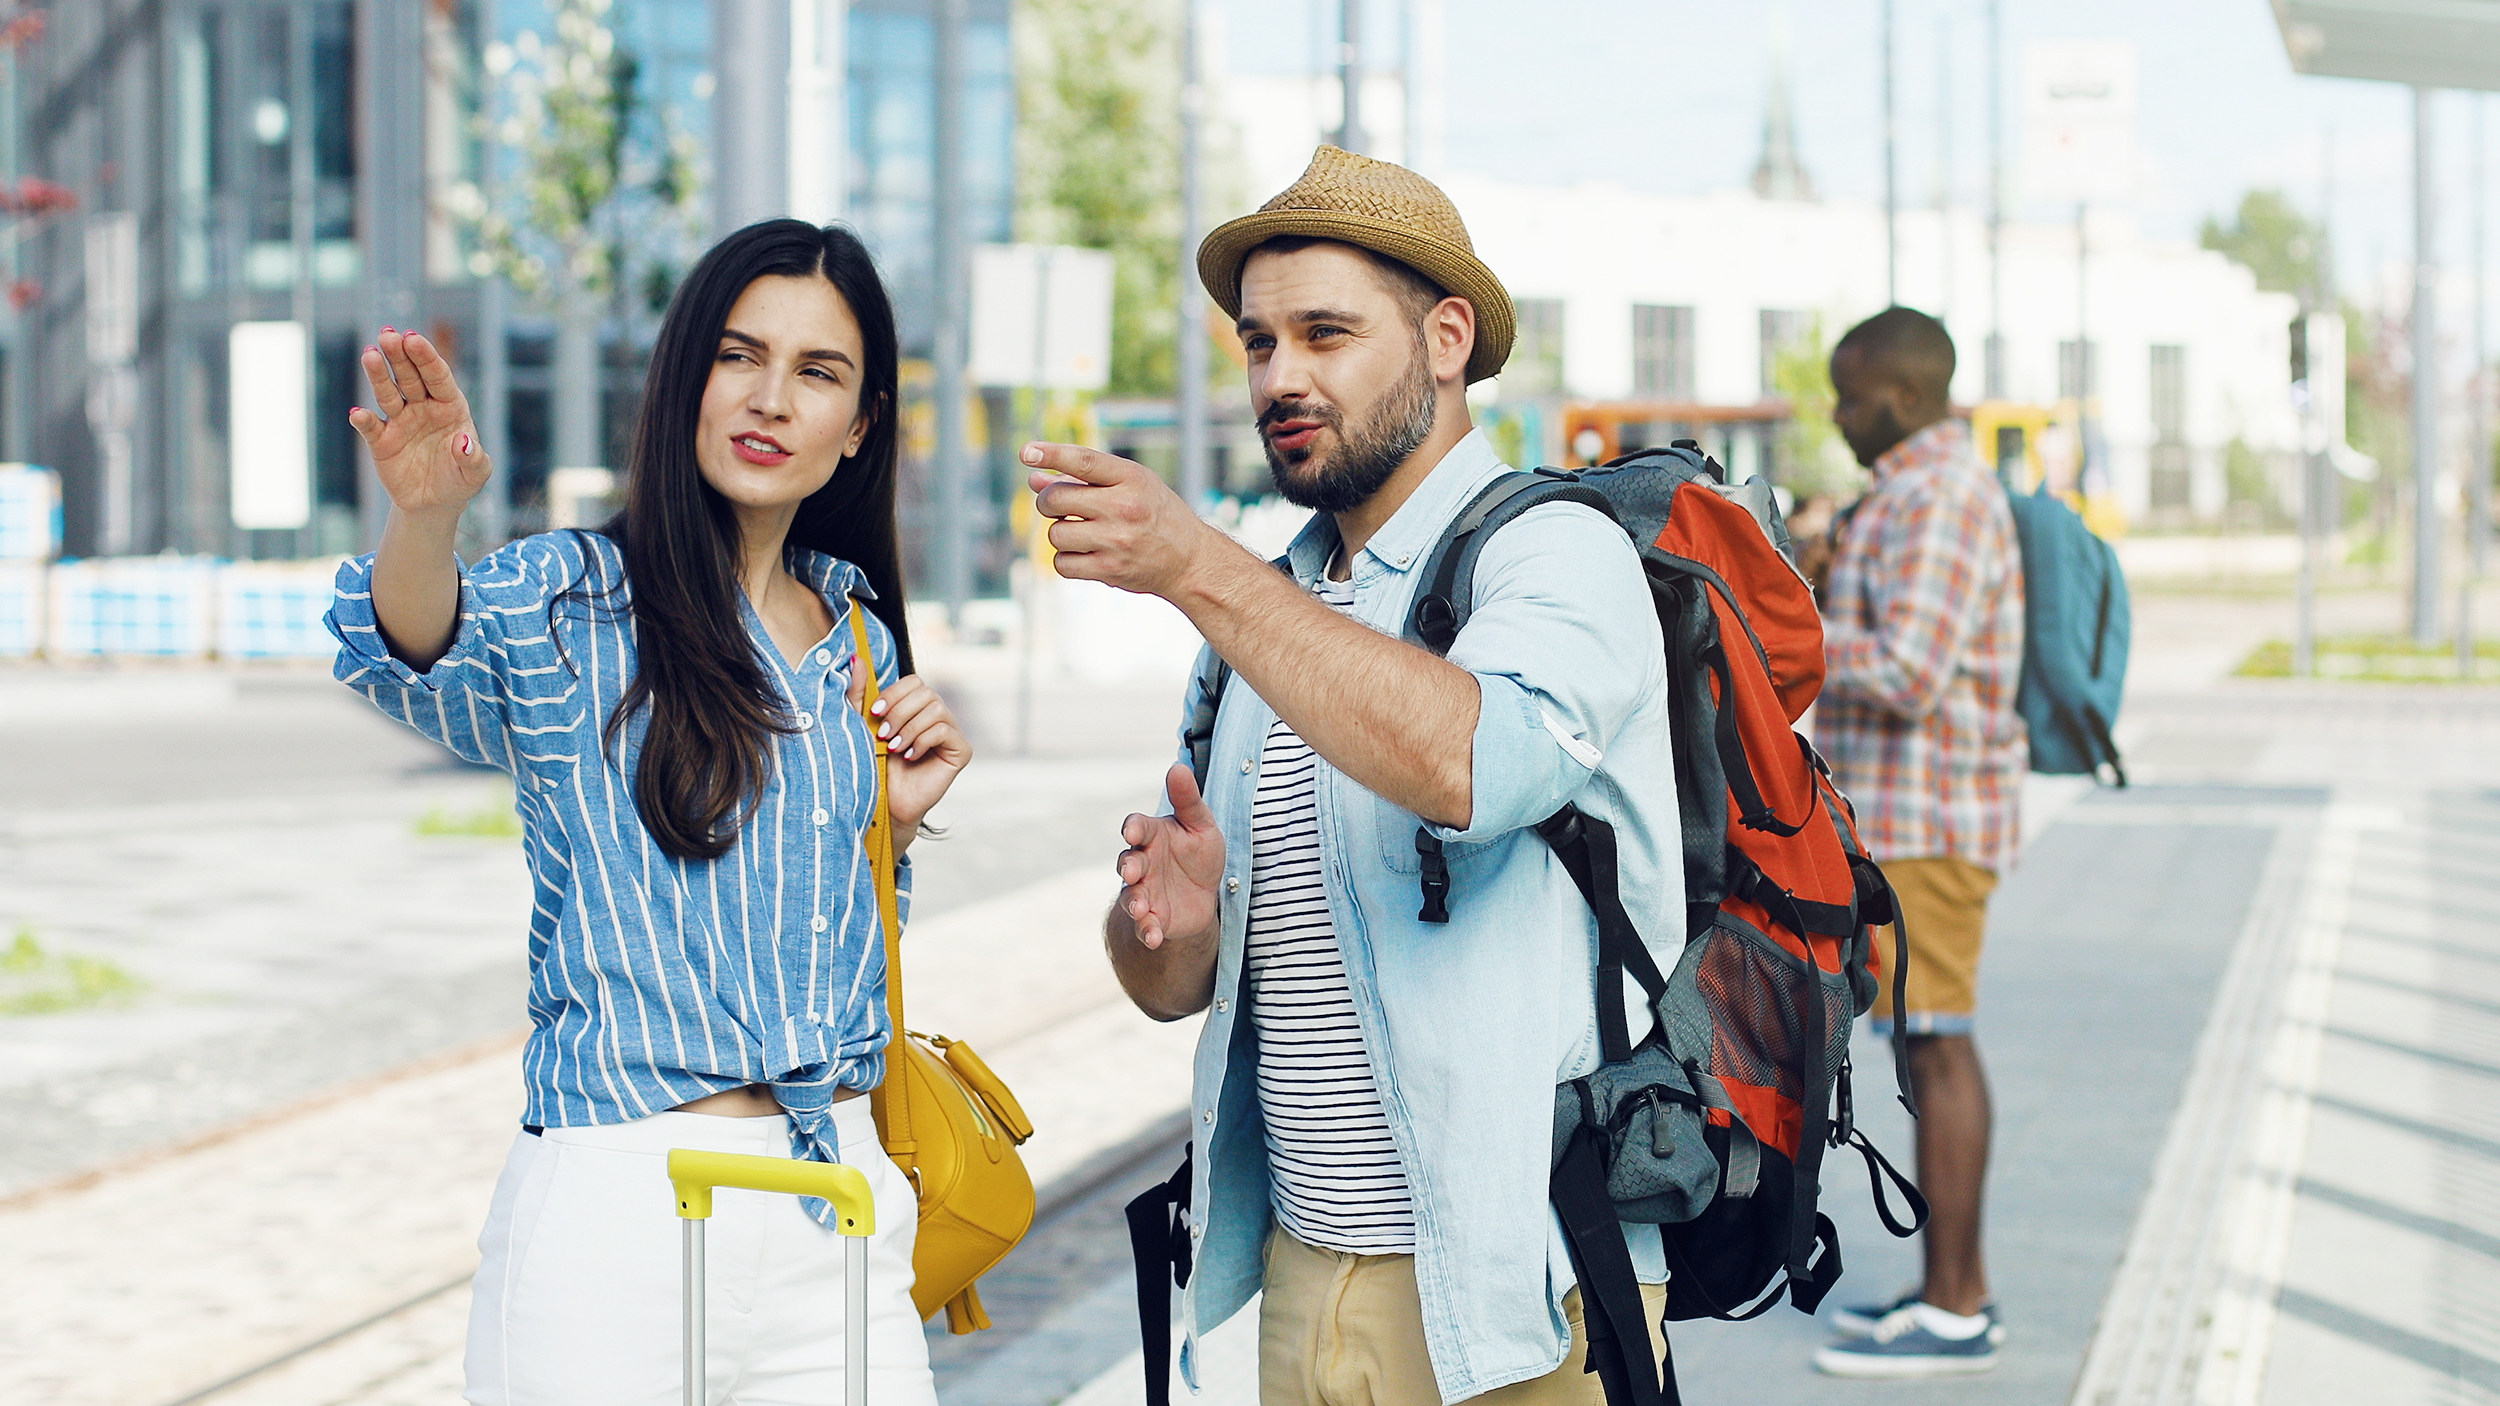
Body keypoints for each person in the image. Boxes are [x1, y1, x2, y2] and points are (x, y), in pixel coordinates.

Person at [1028, 145, 1681, 1404]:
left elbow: (1468, 764)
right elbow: (1171, 986)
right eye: (1258, 342)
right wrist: (1167, 915)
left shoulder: (1555, 556)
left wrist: (1196, 566)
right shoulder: (1271, 609)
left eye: (1325, 333)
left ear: (1445, 339)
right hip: (1300, 1281)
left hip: (1522, 1290)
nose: (1281, 376)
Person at [326, 220, 970, 1406]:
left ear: (860, 424)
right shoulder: (571, 599)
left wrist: (895, 822)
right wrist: (424, 521)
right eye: (740, 354)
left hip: (835, 1194)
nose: (770, 397)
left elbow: (831, 936)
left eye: (817, 372)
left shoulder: (861, 644)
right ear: (686, 375)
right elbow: (412, 649)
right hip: (622, 1201)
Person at [1808, 306, 2024, 1378]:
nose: (1839, 417)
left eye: (1846, 396)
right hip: (1904, 817)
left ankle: (1956, 1304)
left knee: (1936, 1044)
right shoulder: (1909, 491)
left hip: (1930, 819)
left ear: (1893, 395)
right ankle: (1950, 1289)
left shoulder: (1938, 496)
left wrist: (1784, 631)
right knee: (1923, 1043)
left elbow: (1906, 669)